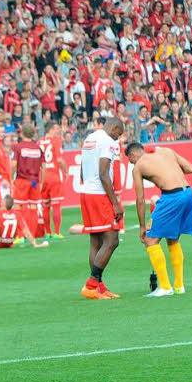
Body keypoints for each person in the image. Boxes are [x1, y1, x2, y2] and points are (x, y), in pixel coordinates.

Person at [127, 142, 192, 297]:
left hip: (172, 196)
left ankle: (165, 286)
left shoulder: (138, 166)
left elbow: (140, 199)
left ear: (133, 155)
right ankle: (179, 286)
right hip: (188, 194)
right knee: (173, 239)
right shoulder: (166, 150)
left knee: (150, 240)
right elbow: (190, 168)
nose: (132, 163)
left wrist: (142, 226)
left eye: (130, 160)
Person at [77, 117, 126, 299]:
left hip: (86, 192)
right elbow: (104, 174)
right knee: (112, 240)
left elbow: (82, 170)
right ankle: (91, 285)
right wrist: (114, 203)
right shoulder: (107, 141)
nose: (117, 139)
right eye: (118, 134)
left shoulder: (89, 138)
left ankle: (99, 287)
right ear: (113, 127)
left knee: (96, 241)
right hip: (99, 194)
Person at [10, 123, 45, 236]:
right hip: (34, 181)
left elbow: (14, 164)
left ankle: (21, 235)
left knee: (18, 206)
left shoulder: (18, 147)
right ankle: (32, 233)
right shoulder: (38, 148)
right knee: (33, 207)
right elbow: (43, 167)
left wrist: (11, 178)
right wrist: (41, 182)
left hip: (22, 180)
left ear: (22, 133)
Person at [38, 124, 69, 239]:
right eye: (56, 129)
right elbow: (60, 160)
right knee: (56, 205)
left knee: (45, 205)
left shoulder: (39, 142)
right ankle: (56, 232)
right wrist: (66, 172)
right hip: (54, 176)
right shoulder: (56, 140)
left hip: (43, 176)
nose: (58, 131)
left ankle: (48, 232)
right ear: (50, 129)